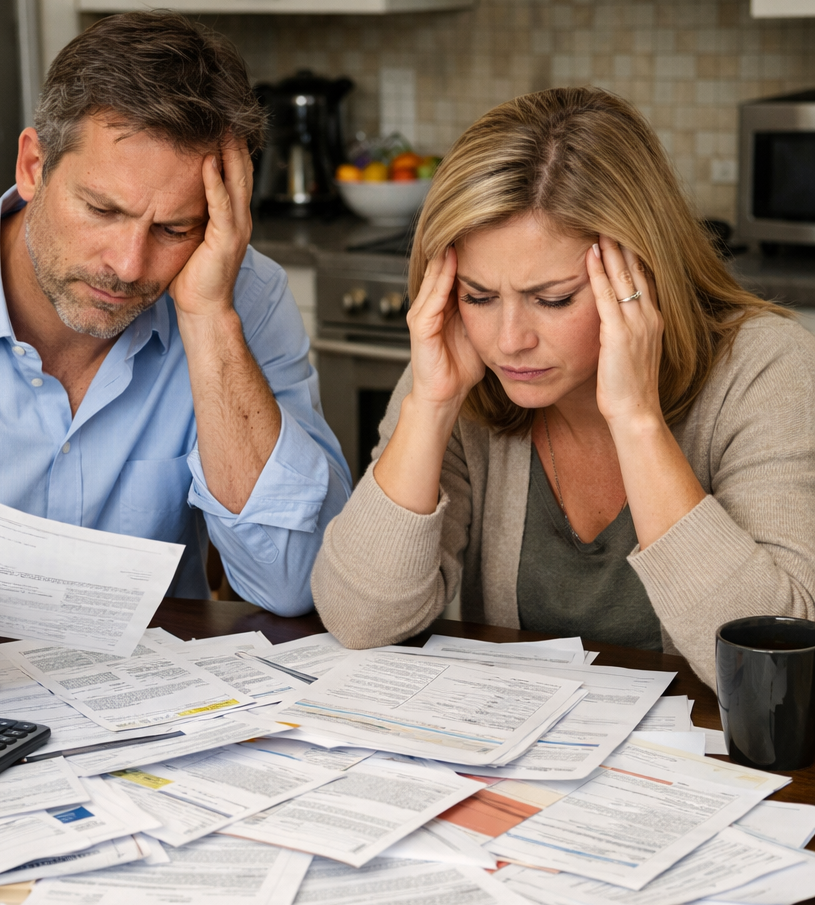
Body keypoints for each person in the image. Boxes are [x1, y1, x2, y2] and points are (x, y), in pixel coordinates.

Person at [0, 12, 350, 661]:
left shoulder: (239, 299)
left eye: (174, 229)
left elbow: (293, 584)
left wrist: (208, 319)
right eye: (102, 210)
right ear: (34, 166)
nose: (128, 263)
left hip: (156, 719)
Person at [311, 86, 815, 688]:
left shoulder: (768, 368)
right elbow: (357, 618)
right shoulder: (461, 369)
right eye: (478, 296)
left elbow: (777, 668)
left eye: (552, 299)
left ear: (640, 275)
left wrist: (637, 422)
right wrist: (430, 407)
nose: (508, 340)